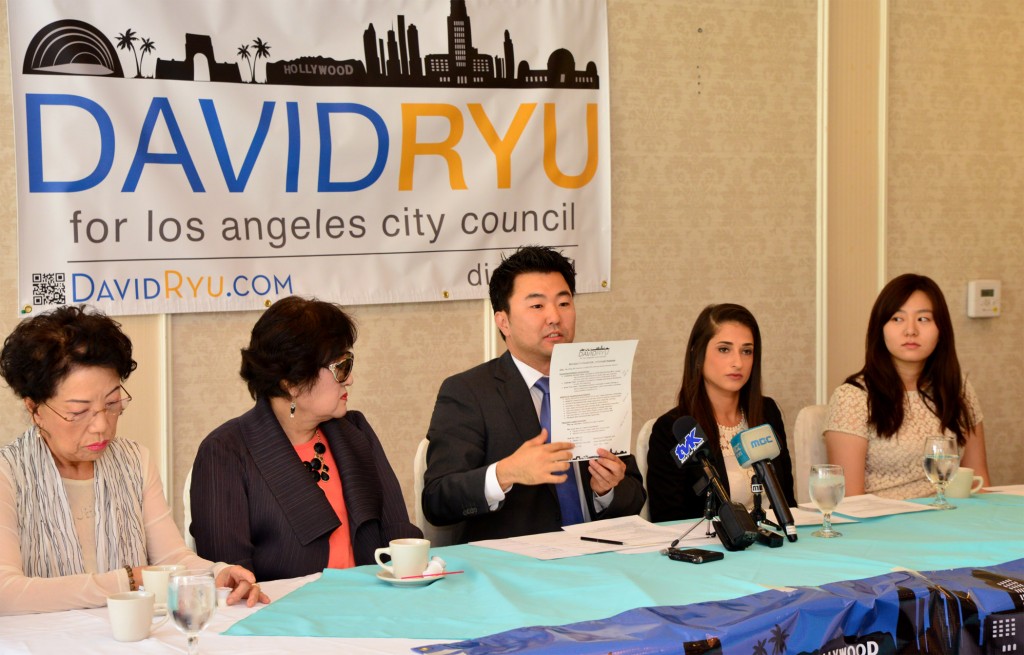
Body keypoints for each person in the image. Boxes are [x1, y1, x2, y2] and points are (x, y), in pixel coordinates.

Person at [0, 306, 266, 616]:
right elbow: (7, 594)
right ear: (34, 409)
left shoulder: (134, 460)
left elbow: (172, 558)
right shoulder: (9, 473)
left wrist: (218, 574)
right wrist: (126, 580)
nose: (102, 425)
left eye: (112, 404)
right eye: (78, 411)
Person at [422, 246, 646, 543]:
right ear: (503, 321)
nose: (554, 317)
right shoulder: (468, 392)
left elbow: (634, 493)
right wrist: (505, 473)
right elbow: (438, 500)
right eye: (537, 306)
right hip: (513, 570)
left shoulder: (594, 381)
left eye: (564, 303)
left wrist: (607, 490)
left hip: (598, 558)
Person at [190, 296, 420, 581]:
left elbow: (399, 532)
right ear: (293, 383)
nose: (350, 380)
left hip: (373, 608)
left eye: (349, 363)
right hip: (282, 618)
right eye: (341, 367)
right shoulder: (225, 452)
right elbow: (230, 576)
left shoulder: (354, 430)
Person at [825, 274, 990, 499]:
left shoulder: (957, 388)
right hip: (885, 525)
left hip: (952, 521)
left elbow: (978, 482)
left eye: (923, 319)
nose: (910, 330)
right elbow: (851, 502)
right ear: (879, 328)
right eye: (897, 319)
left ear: (941, 330)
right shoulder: (853, 398)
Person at [646, 304, 796, 522]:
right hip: (717, 550)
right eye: (724, 349)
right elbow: (669, 520)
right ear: (697, 353)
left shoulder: (767, 413)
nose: (738, 363)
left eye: (747, 351)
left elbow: (788, 501)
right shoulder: (677, 431)